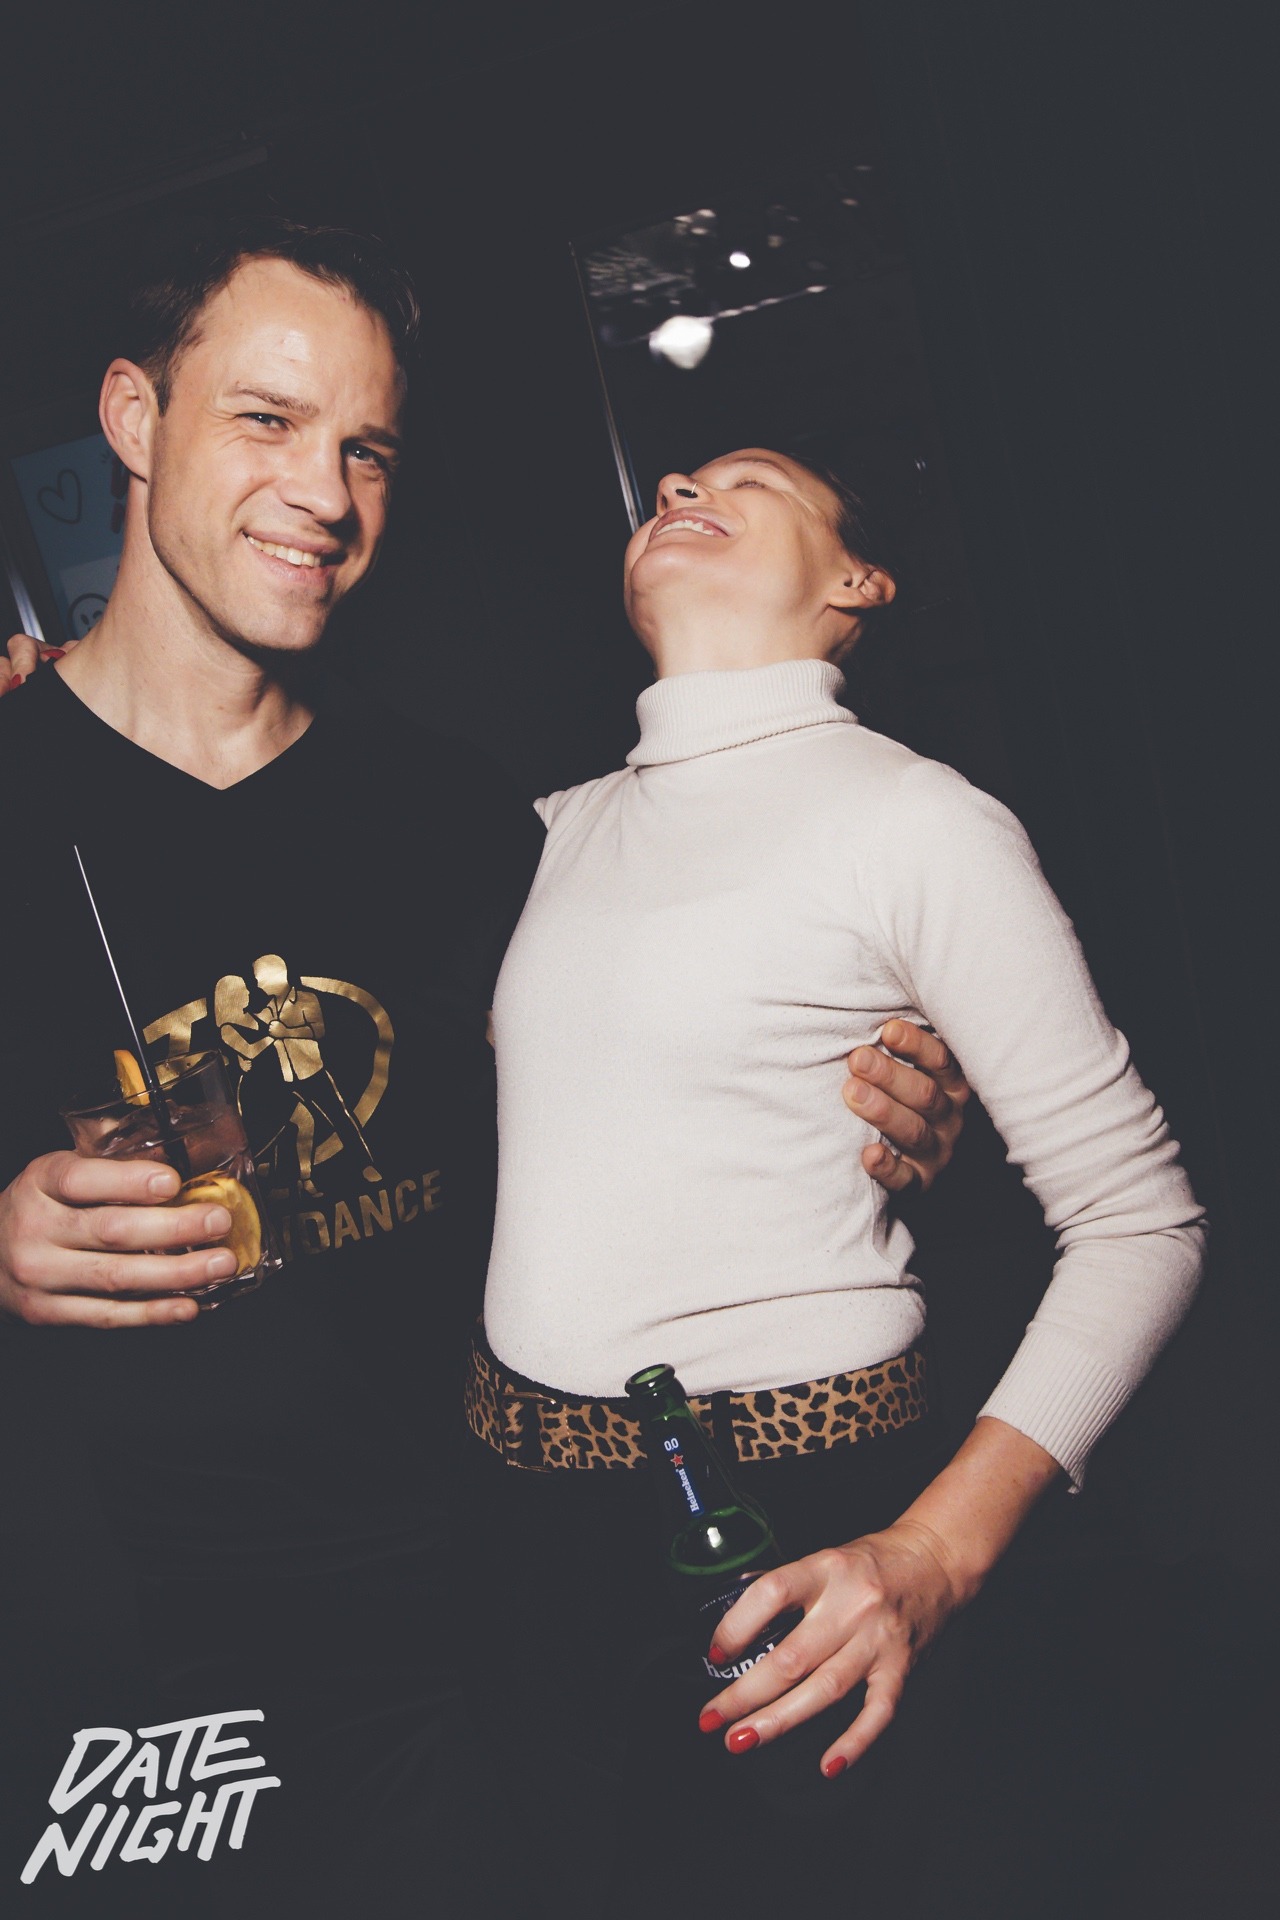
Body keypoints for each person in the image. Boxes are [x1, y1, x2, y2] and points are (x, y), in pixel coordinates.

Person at [0, 228, 965, 1915]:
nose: (325, 493)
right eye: (267, 420)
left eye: (367, 447)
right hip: (136, 1650)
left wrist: (883, 1090)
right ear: (134, 418)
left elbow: (665, 1078)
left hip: (499, 1615)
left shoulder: (465, 811)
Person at [461, 447, 1207, 1910]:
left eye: (752, 478)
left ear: (857, 582)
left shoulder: (916, 821)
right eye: (676, 477)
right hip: (525, 1527)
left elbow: (1140, 1218)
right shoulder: (547, 832)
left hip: (786, 1517)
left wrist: (935, 1554)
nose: (684, 480)